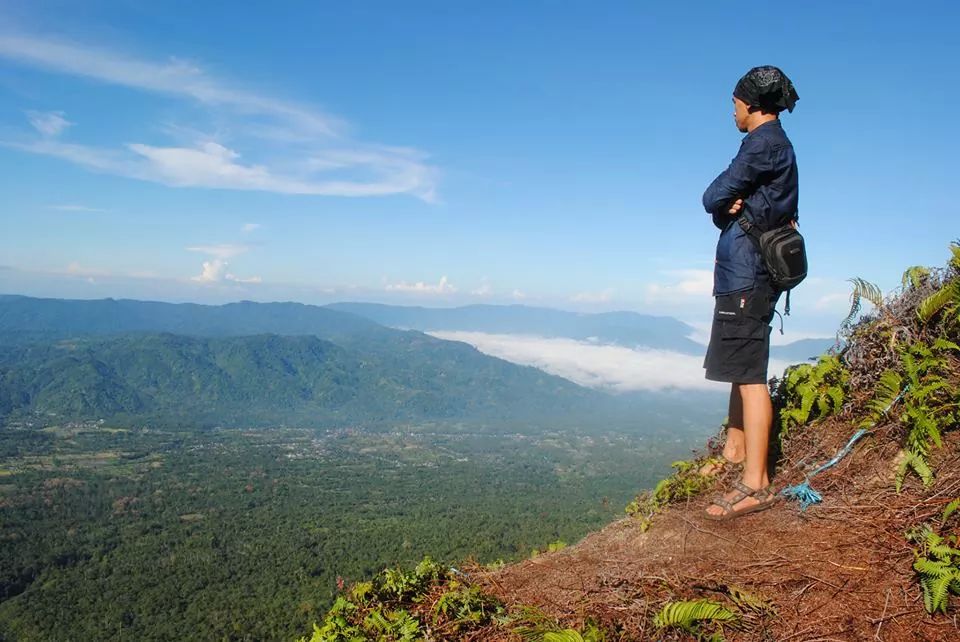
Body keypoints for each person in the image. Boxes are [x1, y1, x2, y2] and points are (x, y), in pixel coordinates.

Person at [699, 65, 800, 521]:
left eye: (735, 104)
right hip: (745, 273)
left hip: (749, 275)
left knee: (751, 375)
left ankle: (756, 483)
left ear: (752, 104)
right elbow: (728, 207)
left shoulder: (763, 144)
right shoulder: (770, 146)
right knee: (739, 367)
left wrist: (722, 202)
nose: (733, 112)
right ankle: (735, 450)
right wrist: (727, 207)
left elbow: (712, 195)